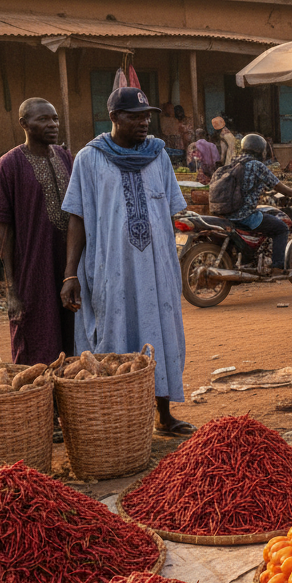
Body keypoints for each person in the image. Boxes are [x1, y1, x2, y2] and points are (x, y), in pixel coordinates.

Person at [59, 87, 191, 437]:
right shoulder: (90, 158)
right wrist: (70, 273)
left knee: (159, 333)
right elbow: (77, 216)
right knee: (114, 336)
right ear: (114, 118)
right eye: (135, 116)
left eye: (146, 115)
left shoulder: (158, 155)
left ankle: (164, 414)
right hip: (110, 268)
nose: (144, 121)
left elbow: (170, 207)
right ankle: (119, 423)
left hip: (157, 267)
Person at [0, 98, 74, 365]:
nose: (52, 125)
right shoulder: (9, 165)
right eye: (43, 119)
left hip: (67, 269)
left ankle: (69, 403)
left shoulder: (65, 157)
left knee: (72, 341)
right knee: (35, 342)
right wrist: (11, 287)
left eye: (55, 118)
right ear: (24, 124)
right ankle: (37, 404)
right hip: (32, 272)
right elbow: (3, 229)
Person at [227, 133, 292, 270]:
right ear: (260, 150)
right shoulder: (256, 165)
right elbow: (277, 185)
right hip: (245, 215)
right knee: (281, 228)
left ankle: (249, 260)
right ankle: (278, 266)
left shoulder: (234, 163)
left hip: (229, 214)